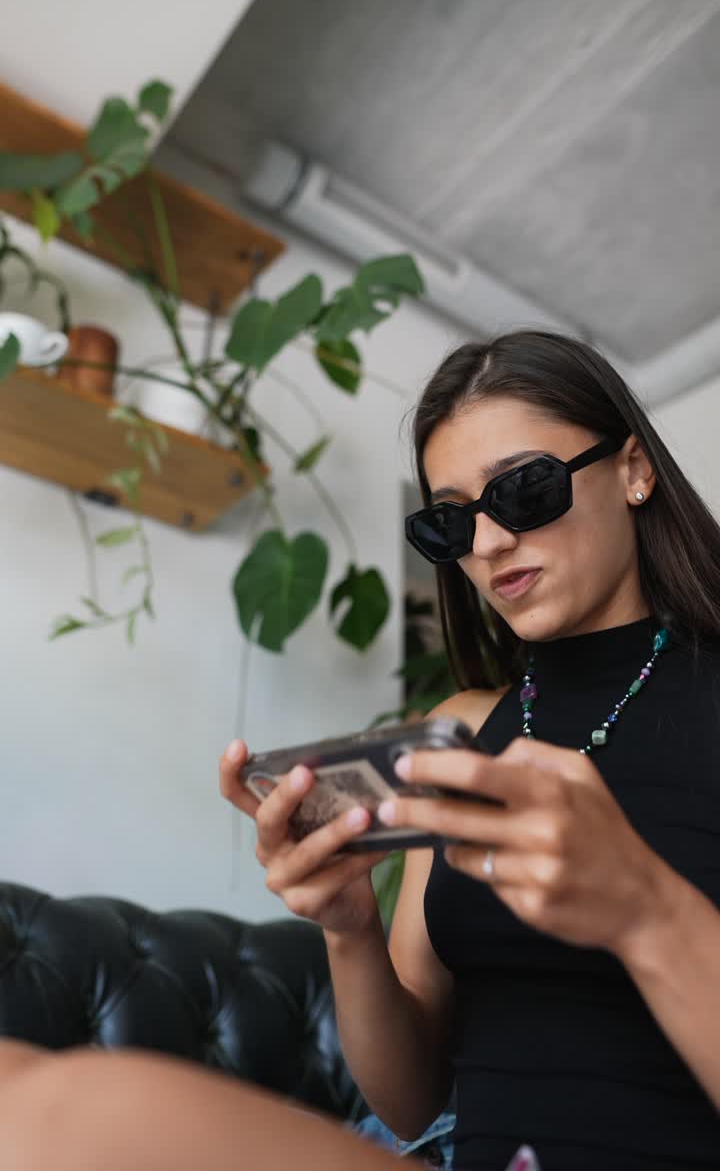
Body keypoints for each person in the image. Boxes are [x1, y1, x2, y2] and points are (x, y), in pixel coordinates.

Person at [1, 329, 719, 1171]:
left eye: (524, 490)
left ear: (634, 469)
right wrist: (349, 928)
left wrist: (645, 907)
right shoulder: (468, 730)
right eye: (453, 520)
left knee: (67, 1111)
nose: (487, 545)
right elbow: (411, 1098)